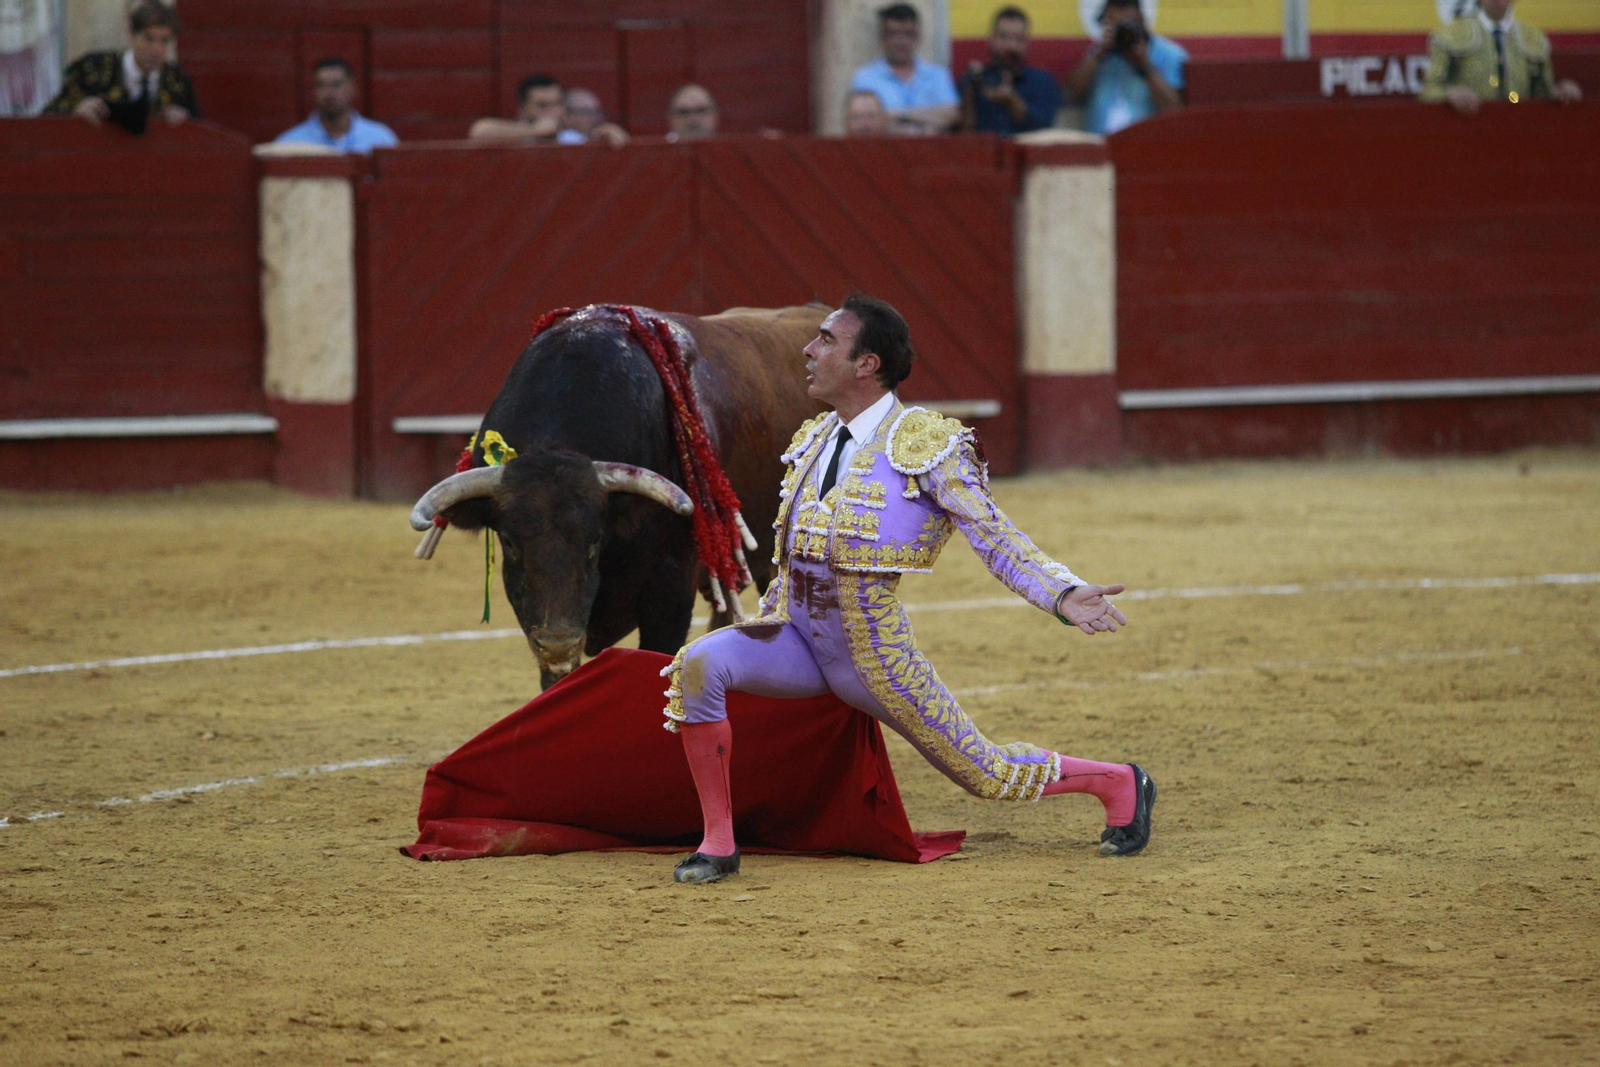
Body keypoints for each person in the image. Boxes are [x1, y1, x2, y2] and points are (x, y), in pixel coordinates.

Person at [661, 294, 1155, 885]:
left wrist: (1060, 592)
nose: (808, 349)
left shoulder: (928, 444)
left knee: (987, 774)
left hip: (873, 657)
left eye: (826, 340)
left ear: (867, 364)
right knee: (699, 664)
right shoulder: (815, 437)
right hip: (793, 636)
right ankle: (718, 844)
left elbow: (992, 534)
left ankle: (1119, 782)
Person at [42, 1, 198, 134]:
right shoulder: (92, 69)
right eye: (149, 39)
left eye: (165, 41)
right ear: (132, 36)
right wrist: (75, 110)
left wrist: (184, 118)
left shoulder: (177, 81)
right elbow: (47, 118)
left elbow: (199, 130)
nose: (157, 50)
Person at [1420, 0, 1582, 114]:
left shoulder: (1533, 38)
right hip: (1468, 128)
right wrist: (1450, 94)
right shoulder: (1449, 36)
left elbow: (1543, 93)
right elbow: (1429, 90)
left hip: (1520, 130)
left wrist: (1561, 92)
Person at [1066, 0, 1185, 136]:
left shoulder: (1169, 54)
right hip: (1100, 140)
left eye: (1126, 26)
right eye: (1114, 26)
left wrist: (1144, 65)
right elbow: (1072, 94)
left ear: (1141, 19)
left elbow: (1174, 109)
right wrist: (1098, 55)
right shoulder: (1097, 54)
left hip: (1146, 142)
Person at [849, 3, 959, 136]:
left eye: (908, 34)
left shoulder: (937, 75)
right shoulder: (865, 78)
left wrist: (898, 115)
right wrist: (925, 123)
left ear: (917, 36)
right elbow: (864, 124)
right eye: (893, 34)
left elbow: (951, 115)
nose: (901, 41)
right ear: (882, 37)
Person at [960, 6, 1061, 135]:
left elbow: (1042, 127)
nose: (1011, 46)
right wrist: (970, 91)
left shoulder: (1043, 82)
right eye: (1003, 37)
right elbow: (964, 134)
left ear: (1027, 42)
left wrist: (1011, 99)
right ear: (992, 39)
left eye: (1018, 38)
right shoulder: (975, 79)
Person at [273, 58, 397, 154]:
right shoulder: (289, 144)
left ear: (353, 89)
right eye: (321, 85)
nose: (329, 93)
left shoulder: (380, 139)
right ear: (313, 91)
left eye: (336, 84)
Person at [469, 74, 584, 144]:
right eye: (542, 106)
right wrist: (536, 130)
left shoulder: (574, 139)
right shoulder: (516, 136)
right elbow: (480, 132)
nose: (552, 112)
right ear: (523, 109)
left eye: (557, 104)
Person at [561, 86, 629, 146]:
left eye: (596, 112)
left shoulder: (601, 132)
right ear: (567, 115)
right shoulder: (562, 136)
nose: (595, 118)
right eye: (587, 112)